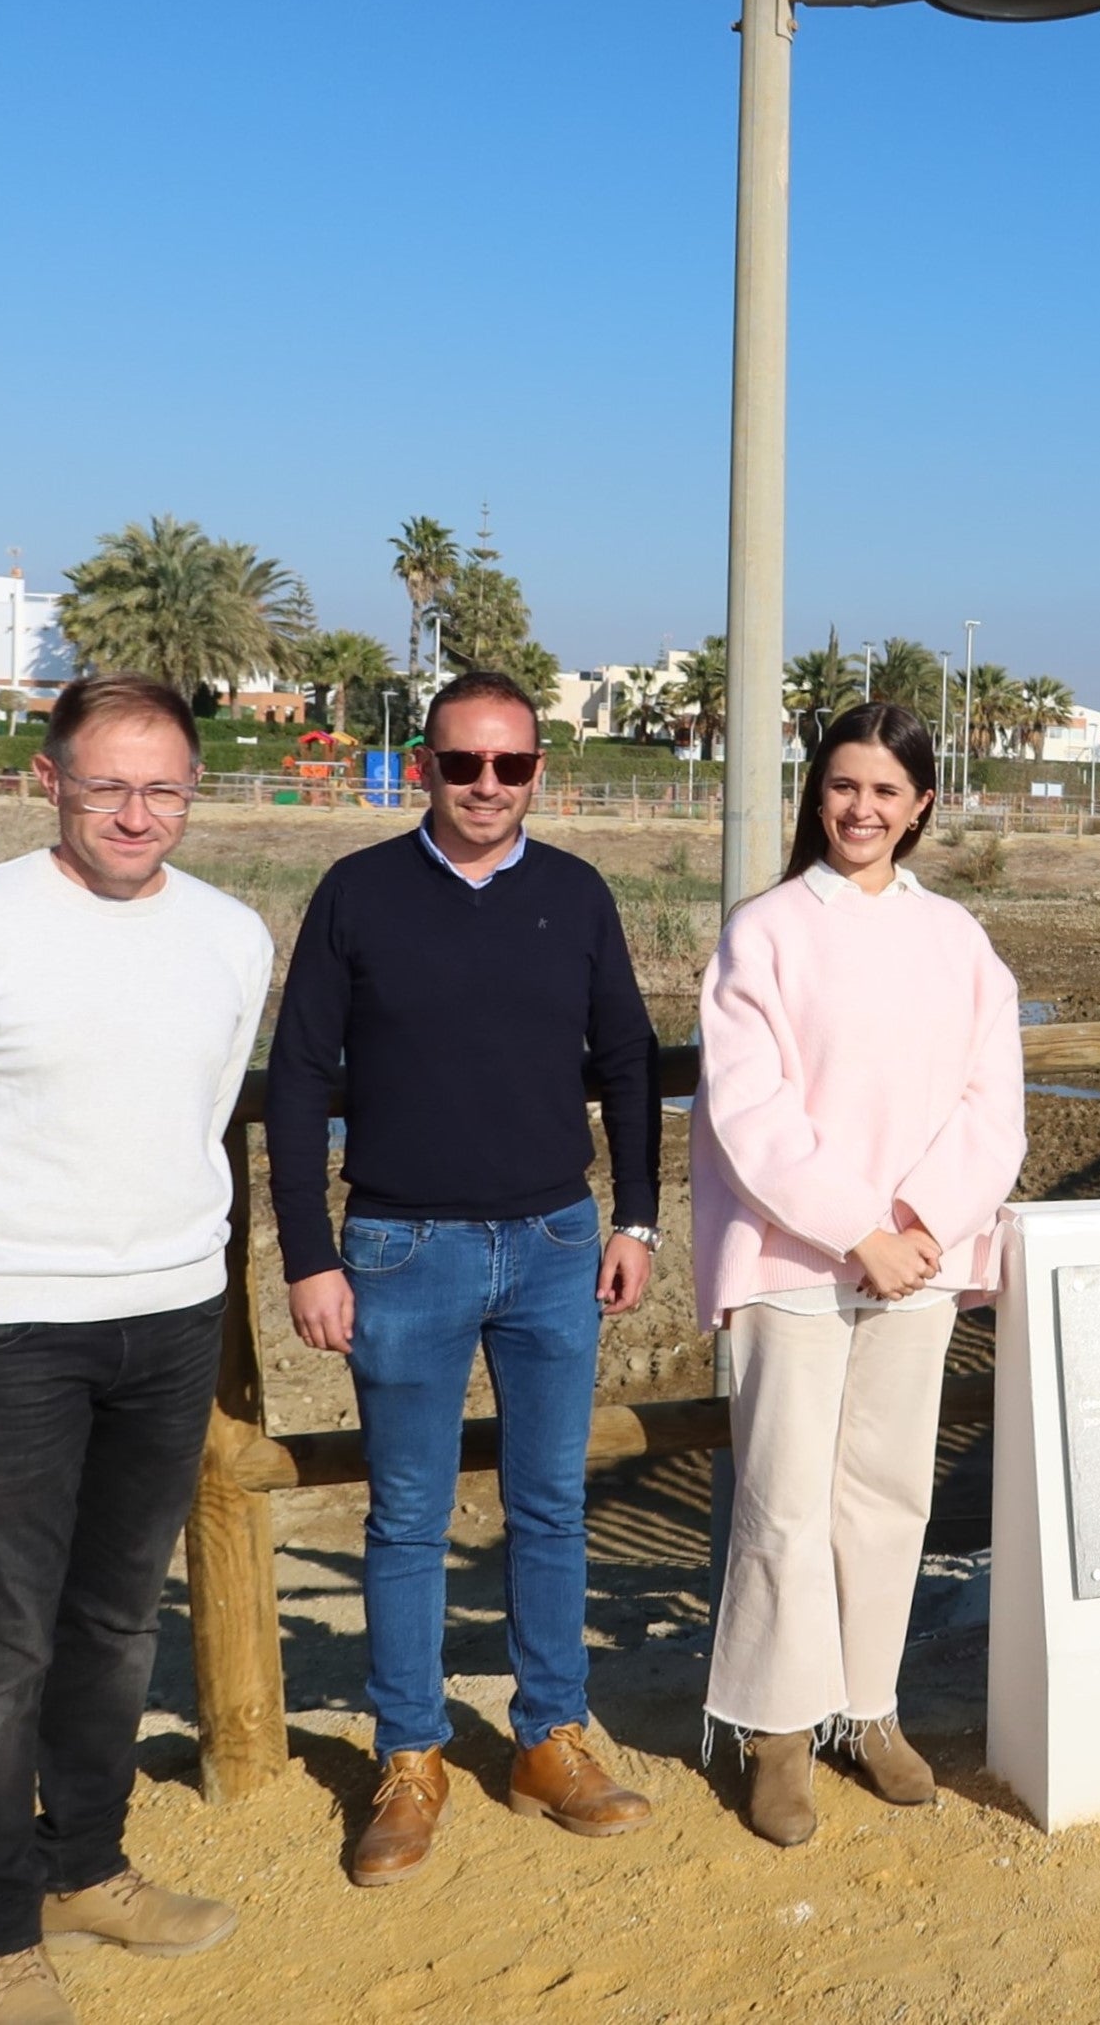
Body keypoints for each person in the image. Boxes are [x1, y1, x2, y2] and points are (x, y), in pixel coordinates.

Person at [0, 674, 271, 2025]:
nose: (135, 814)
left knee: (118, 1617)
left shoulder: (231, 935)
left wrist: (162, 1263)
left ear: (194, 791)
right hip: (4, 1332)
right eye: (106, 785)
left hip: (168, 1320)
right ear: (50, 780)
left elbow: (196, 1116)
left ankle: (88, 1862)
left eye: (163, 788)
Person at [268, 668, 664, 1885]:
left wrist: (637, 1220)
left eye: (512, 765)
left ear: (542, 771)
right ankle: (410, 1755)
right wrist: (309, 1254)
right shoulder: (357, 893)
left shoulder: (578, 894)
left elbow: (631, 1064)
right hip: (401, 1248)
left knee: (549, 1506)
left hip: (555, 1244)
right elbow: (294, 1079)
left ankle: (549, 1737)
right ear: (423, 766)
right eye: (461, 763)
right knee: (407, 1517)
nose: (486, 786)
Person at [690, 704, 1025, 1845]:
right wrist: (857, 1229)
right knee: (782, 1495)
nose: (862, 810)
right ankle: (775, 1729)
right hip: (795, 1256)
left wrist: (922, 1222)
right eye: (843, 786)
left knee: (888, 1495)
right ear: (815, 794)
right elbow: (748, 1106)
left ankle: (866, 1707)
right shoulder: (768, 931)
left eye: (886, 790)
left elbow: (996, 1109)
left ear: (922, 802)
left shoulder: (960, 942)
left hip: (920, 1262)